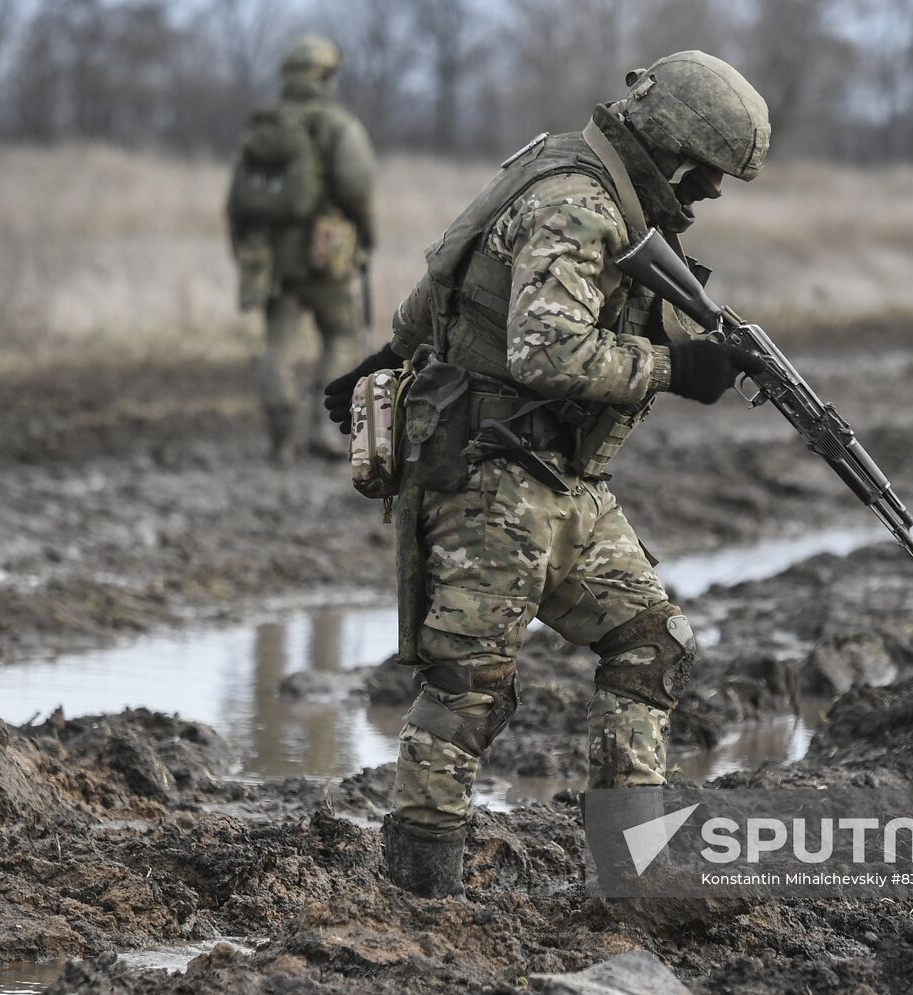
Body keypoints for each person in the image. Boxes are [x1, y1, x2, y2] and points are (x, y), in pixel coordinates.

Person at [324, 51, 771, 896]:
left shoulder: (576, 171)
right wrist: (675, 369)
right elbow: (545, 351)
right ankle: (419, 897)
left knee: (651, 642)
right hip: (488, 479)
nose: (712, 190)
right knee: (467, 691)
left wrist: (387, 355)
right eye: (708, 169)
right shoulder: (578, 201)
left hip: (565, 481)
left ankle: (629, 867)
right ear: (671, 144)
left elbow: (443, 280)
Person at [226, 34, 377, 462]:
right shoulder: (339, 126)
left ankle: (280, 440)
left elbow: (237, 203)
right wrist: (365, 238)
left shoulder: (263, 129)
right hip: (327, 253)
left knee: (278, 345)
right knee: (341, 335)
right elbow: (358, 189)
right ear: (324, 76)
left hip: (274, 259)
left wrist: (245, 253)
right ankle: (327, 430)